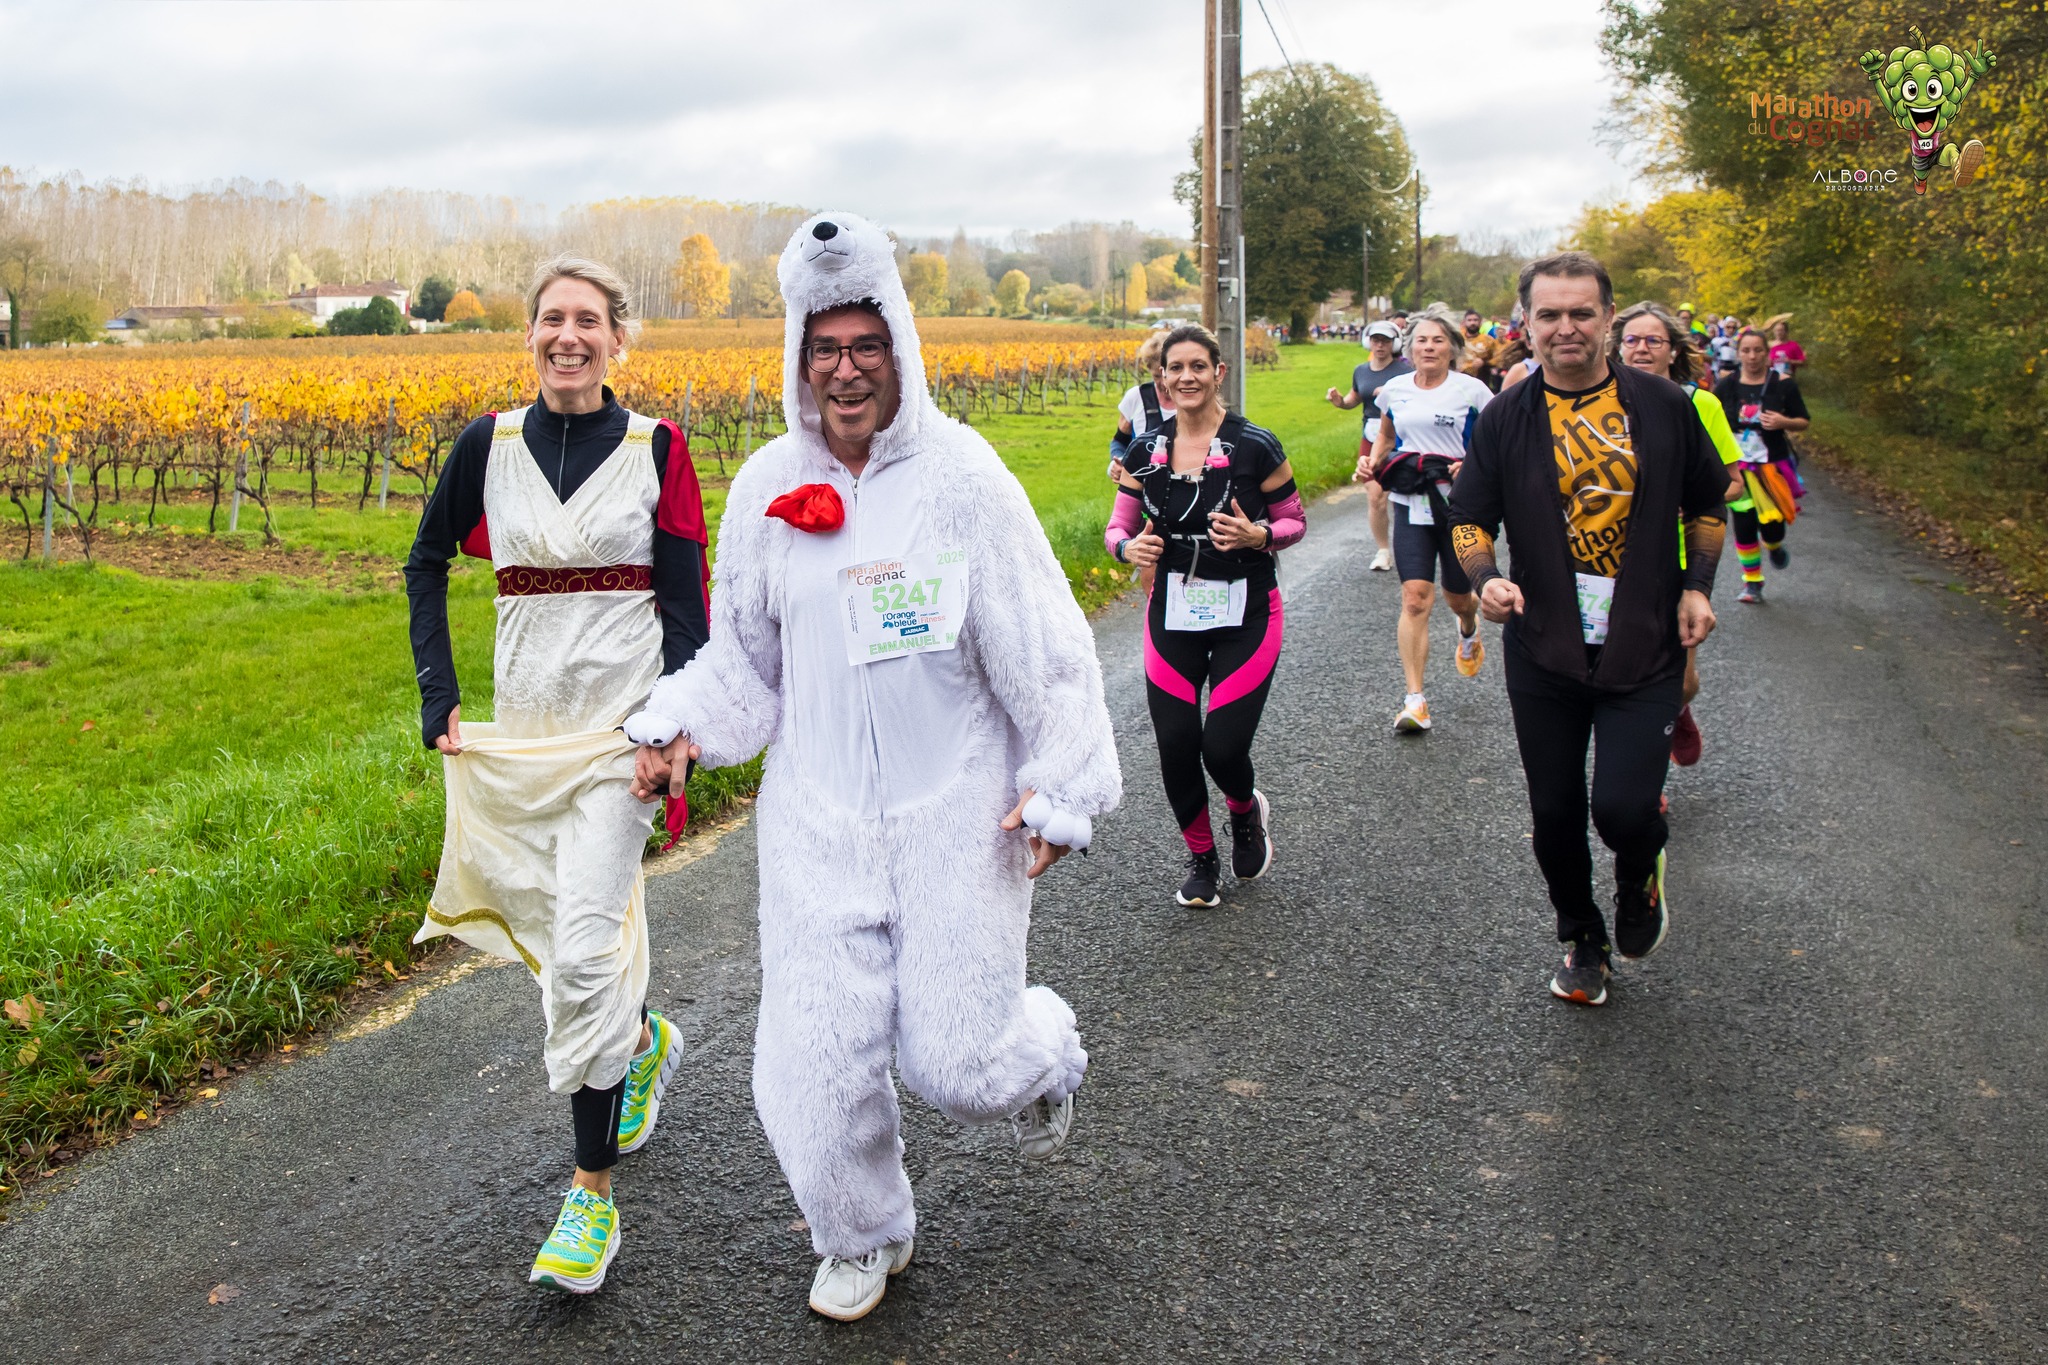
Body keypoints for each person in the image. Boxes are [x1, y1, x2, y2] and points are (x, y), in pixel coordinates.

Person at [624, 213, 1118, 1323]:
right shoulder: (763, 488)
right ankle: (858, 1233)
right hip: (818, 823)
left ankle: (1048, 1054)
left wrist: (1062, 784)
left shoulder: (963, 479)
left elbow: (1042, 647)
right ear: (798, 357)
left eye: (867, 345)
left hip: (959, 819)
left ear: (900, 346)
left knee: (960, 1066)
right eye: (823, 348)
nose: (846, 370)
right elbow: (743, 665)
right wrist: (672, 729)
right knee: (807, 1069)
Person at [404, 256, 710, 1292]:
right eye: (550, 319)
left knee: (579, 953)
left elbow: (684, 601)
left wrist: (673, 729)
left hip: (617, 747)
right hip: (523, 744)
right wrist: (437, 693)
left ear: (619, 339)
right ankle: (637, 1039)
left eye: (587, 320)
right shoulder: (485, 446)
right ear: (529, 335)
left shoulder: (654, 446)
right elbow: (424, 561)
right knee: (557, 938)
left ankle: (590, 1197)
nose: (566, 336)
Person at [1449, 252, 1728, 1006]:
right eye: (1549, 315)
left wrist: (1696, 589)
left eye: (1581, 313)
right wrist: (1487, 580)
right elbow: (1469, 518)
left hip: (1645, 640)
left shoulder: (1664, 405)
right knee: (1556, 814)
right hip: (1544, 647)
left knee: (1625, 809)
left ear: (1608, 318)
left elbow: (1708, 505)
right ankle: (1581, 936)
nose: (1565, 328)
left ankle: (1640, 873)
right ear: (1526, 324)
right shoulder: (1508, 415)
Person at [1108, 323, 1304, 908]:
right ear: (1161, 379)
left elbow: (1295, 520)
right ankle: (1201, 860)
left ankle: (1245, 811)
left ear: (1219, 373)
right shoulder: (1146, 451)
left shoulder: (1256, 445)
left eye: (1199, 366)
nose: (1187, 377)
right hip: (1172, 608)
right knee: (1174, 742)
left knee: (1220, 748)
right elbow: (1117, 527)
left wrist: (1259, 533)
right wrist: (1126, 548)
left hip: (1248, 611)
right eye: (1176, 368)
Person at [1611, 301, 1746, 771]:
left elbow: (1733, 481)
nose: (1642, 349)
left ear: (1673, 350)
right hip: (1611, 552)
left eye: (1654, 341)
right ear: (1617, 347)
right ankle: (1645, 780)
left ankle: (1680, 709)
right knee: (1621, 669)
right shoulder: (1597, 403)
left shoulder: (1698, 403)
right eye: (1632, 340)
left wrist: (1681, 499)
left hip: (1681, 555)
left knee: (1682, 679)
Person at [1356, 305, 1493, 733]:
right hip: (1411, 502)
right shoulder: (1394, 390)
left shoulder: (1472, 392)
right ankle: (1414, 700)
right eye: (1421, 340)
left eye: (1438, 340)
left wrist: (1470, 466)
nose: (1429, 347)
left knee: (1457, 598)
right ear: (1409, 347)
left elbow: (1494, 446)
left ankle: (1468, 627)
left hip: (1460, 508)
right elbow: (1386, 435)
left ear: (1453, 347)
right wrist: (1371, 464)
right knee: (1415, 597)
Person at [1716, 329, 1810, 603]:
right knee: (1743, 525)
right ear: (1738, 352)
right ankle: (1753, 583)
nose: (1752, 356)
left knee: (1771, 526)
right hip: (1739, 469)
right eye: (1746, 350)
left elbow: (1803, 420)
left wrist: (1784, 422)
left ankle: (1774, 546)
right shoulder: (1726, 385)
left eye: (1758, 350)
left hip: (1772, 467)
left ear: (1767, 353)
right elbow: (1709, 418)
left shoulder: (1783, 384)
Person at [1328, 318, 1411, 572]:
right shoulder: (1361, 370)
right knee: (1376, 496)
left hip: (1400, 438)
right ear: (1368, 342)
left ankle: (1414, 546)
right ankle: (1383, 551)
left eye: (1385, 341)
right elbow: (1354, 399)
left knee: (1401, 495)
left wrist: (1390, 394)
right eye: (1376, 340)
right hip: (1370, 436)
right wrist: (1339, 400)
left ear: (1394, 344)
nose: (1380, 346)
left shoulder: (1405, 372)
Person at [1109, 331, 1174, 480]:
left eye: (1167, 376)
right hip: (1141, 489)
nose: (1164, 383)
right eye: (1157, 376)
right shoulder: (1136, 398)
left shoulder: (1193, 400)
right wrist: (1117, 464)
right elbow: (1119, 441)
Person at [1458, 307, 1499, 389]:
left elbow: (1497, 358)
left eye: (1475, 320)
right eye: (1469, 320)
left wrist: (1484, 362)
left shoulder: (1488, 340)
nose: (1472, 323)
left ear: (1480, 322)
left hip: (1481, 379)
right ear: (1464, 322)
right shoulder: (1458, 338)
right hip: (1459, 377)